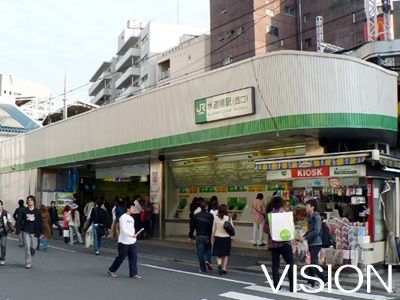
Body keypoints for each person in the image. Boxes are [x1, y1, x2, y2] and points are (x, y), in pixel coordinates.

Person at [264, 196, 296, 292]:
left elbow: (265, 229)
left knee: (275, 265)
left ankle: (276, 286)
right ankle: (292, 286)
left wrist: (273, 233)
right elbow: (291, 227)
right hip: (285, 243)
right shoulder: (285, 215)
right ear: (282, 205)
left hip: (273, 244)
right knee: (290, 264)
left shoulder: (269, 215)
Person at [107, 202, 142, 278]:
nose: (134, 209)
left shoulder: (132, 218)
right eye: (132, 208)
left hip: (132, 241)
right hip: (123, 242)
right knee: (121, 257)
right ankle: (111, 270)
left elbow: (131, 229)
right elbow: (123, 229)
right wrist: (131, 235)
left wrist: (134, 236)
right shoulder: (123, 217)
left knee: (134, 257)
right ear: (128, 209)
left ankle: (133, 273)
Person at [301, 199, 328, 288]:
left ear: (312, 207)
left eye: (307, 205)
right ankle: (310, 282)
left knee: (313, 262)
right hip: (311, 242)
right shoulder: (310, 216)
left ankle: (325, 278)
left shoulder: (317, 217)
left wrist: (306, 237)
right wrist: (303, 236)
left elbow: (316, 231)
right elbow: (310, 230)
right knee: (310, 262)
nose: (306, 207)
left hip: (316, 242)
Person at [15, 195, 43, 269]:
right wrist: (18, 229)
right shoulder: (23, 210)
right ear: (27, 202)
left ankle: (30, 254)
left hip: (34, 231)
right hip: (26, 231)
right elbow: (19, 219)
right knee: (27, 247)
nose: (30, 201)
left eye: (31, 200)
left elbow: (40, 222)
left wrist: (41, 232)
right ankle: (28, 262)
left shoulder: (37, 211)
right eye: (28, 200)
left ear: (34, 201)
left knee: (34, 246)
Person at [189, 199, 214, 273]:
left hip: (199, 236)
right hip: (207, 236)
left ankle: (202, 268)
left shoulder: (196, 216)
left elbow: (192, 227)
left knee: (200, 252)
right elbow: (212, 226)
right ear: (206, 207)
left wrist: (190, 236)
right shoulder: (210, 216)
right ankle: (207, 260)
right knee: (208, 249)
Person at [212, 204, 233, 275]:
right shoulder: (228, 218)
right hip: (226, 238)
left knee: (219, 254)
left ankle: (219, 265)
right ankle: (224, 268)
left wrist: (212, 237)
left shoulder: (216, 218)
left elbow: (213, 229)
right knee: (225, 254)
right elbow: (232, 228)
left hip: (218, 237)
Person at [0, 200, 14, 265]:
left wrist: (12, 230)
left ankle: (2, 259)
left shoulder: (6, 213)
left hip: (3, 231)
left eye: (0, 205)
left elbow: (9, 222)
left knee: (3, 245)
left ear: (2, 205)